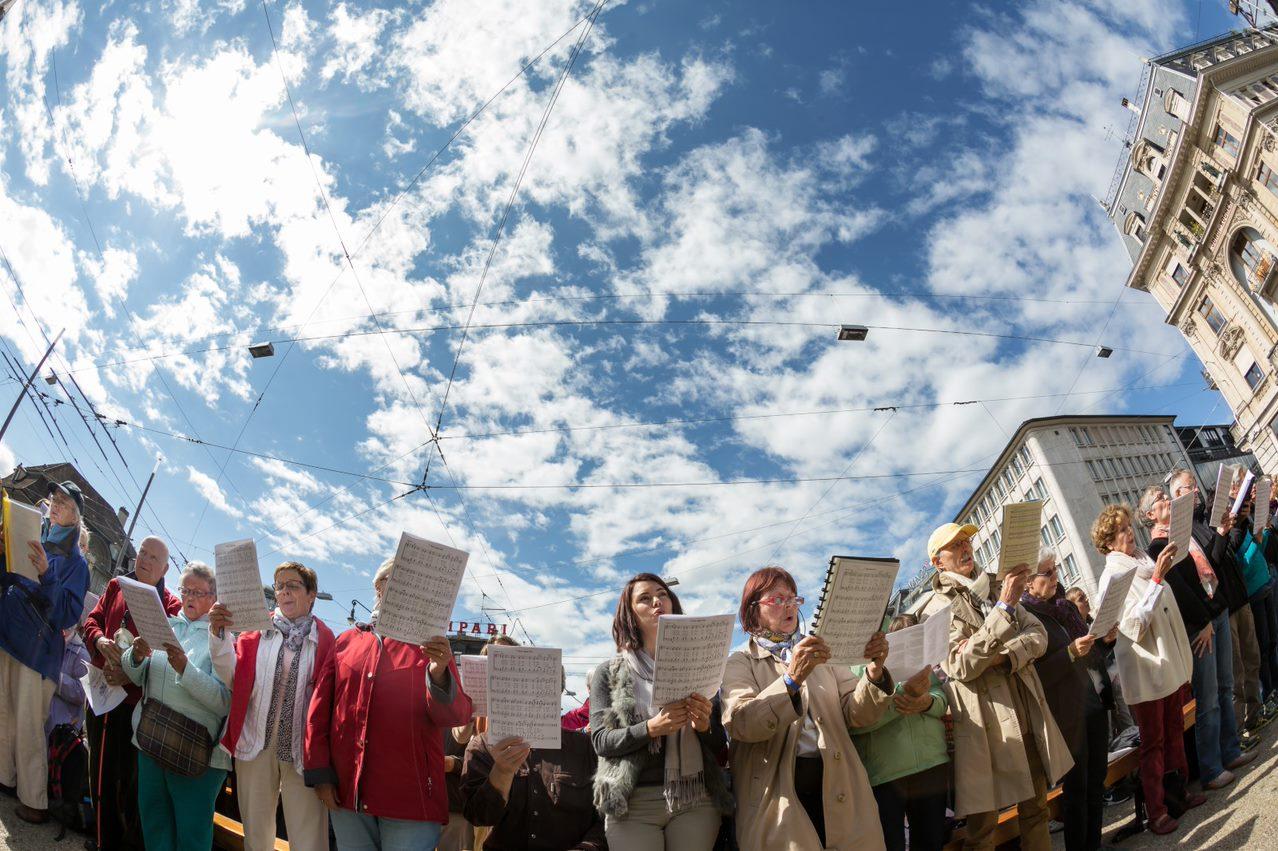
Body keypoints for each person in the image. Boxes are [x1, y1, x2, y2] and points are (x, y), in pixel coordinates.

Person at [304, 555, 472, 850]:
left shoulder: (431, 646)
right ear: (379, 588)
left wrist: (438, 671)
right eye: (398, 582)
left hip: (411, 800)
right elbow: (319, 711)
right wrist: (320, 773)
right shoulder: (346, 642)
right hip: (349, 793)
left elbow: (455, 715)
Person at [925, 522, 1072, 851]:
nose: (966, 547)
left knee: (1037, 809)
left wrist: (1002, 657)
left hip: (1025, 713)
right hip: (985, 728)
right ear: (938, 561)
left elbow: (1038, 636)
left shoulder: (996, 586)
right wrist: (1004, 609)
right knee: (984, 828)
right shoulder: (935, 609)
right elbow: (959, 665)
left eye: (967, 540)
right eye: (955, 545)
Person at [721, 566, 891, 850]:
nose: (789, 605)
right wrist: (792, 680)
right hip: (779, 799)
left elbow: (858, 714)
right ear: (753, 611)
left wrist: (874, 672)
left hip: (841, 785)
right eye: (777, 599)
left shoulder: (822, 653)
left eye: (793, 598)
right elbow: (741, 723)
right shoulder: (738, 662)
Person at [590, 572, 731, 851]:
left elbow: (720, 747)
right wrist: (651, 728)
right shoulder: (608, 672)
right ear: (629, 614)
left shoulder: (701, 668)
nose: (657, 601)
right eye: (645, 598)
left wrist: (704, 727)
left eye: (662, 594)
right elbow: (600, 741)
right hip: (631, 803)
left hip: (694, 799)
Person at [209, 561, 334, 851]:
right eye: (280, 586)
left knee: (309, 839)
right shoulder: (256, 630)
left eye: (293, 586)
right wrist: (219, 635)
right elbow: (232, 678)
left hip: (302, 752)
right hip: (256, 744)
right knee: (256, 833)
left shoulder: (326, 640)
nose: (285, 592)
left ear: (311, 595)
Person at [1092, 505, 1200, 835]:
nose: (1129, 533)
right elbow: (1134, 626)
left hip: (1166, 662)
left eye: (1128, 526)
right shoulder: (1113, 576)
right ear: (1108, 543)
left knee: (1174, 732)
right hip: (1146, 669)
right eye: (1121, 530)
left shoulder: (1143, 559)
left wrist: (1157, 574)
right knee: (1152, 744)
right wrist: (1156, 580)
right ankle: (1156, 811)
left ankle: (1178, 794)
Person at [1146, 474, 1255, 790]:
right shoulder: (1156, 549)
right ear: (1150, 515)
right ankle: (1210, 769)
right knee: (1207, 699)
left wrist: (1215, 607)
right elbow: (1180, 592)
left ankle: (1230, 750)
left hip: (1215, 610)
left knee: (1224, 686)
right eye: (1160, 501)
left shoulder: (1179, 535)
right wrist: (1204, 620)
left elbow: (1205, 570)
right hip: (1199, 627)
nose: (1166, 502)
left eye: (1164, 497)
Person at [120, 563, 230, 851]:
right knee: (154, 824)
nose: (189, 596)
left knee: (192, 836)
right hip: (151, 739)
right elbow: (138, 676)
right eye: (186, 590)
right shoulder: (164, 624)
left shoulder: (223, 639)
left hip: (198, 753)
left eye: (198, 591)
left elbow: (223, 702)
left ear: (213, 598)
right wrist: (136, 655)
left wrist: (186, 669)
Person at [0, 480, 90, 823]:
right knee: (4, 713)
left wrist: (44, 573)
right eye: (56, 499)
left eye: (65, 503)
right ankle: (7, 781)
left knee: (27, 726)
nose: (55, 505)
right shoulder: (36, 537)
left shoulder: (76, 563)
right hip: (10, 635)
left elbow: (67, 614)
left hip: (38, 652)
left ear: (76, 516)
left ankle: (35, 802)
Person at [83, 534, 180, 850]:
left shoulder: (171, 605)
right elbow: (92, 621)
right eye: (143, 552)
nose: (145, 560)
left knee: (130, 785)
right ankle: (102, 841)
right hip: (101, 695)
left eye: (154, 558)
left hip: (137, 706)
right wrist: (99, 641)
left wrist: (130, 672)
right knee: (99, 775)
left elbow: (170, 654)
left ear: (165, 568)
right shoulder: (116, 586)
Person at [1021, 548, 1114, 851]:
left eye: (1055, 568)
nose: (1055, 576)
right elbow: (1036, 674)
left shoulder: (1064, 605)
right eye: (1046, 572)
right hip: (1065, 711)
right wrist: (1071, 652)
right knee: (1077, 788)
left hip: (1093, 696)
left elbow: (1086, 646)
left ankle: (1094, 844)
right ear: (1027, 583)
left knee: (1097, 778)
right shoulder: (1026, 616)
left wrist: (1102, 638)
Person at [459, 675, 605, 849]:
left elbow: (607, 816)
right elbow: (477, 816)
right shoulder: (483, 745)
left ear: (558, 693)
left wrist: (586, 848)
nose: (530, 699)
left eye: (542, 689)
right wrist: (501, 774)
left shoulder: (585, 748)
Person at [849, 614, 949, 851]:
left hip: (931, 763)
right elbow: (856, 722)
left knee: (932, 844)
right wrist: (907, 694)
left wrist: (926, 703)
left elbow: (940, 697)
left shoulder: (907, 639)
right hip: (884, 776)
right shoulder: (847, 659)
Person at [1225, 487, 1272, 740]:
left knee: (1263, 649)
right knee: (1251, 658)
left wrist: (1260, 532)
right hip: (1243, 596)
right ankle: (1245, 722)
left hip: (1255, 589)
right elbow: (1241, 560)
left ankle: (1259, 708)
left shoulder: (1242, 524)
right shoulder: (1230, 529)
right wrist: (1256, 536)